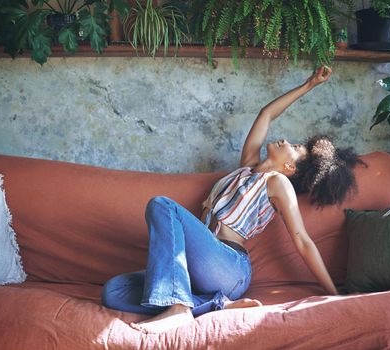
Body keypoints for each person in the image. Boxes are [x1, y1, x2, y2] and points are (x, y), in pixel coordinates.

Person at [101, 66, 364, 334]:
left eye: (293, 148)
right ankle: (213, 304)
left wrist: (333, 293)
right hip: (196, 270)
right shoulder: (246, 167)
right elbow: (267, 114)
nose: (286, 140)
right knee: (114, 291)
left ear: (290, 169)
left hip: (229, 267)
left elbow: (303, 240)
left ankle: (179, 308)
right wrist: (308, 85)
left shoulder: (278, 183)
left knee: (162, 206)